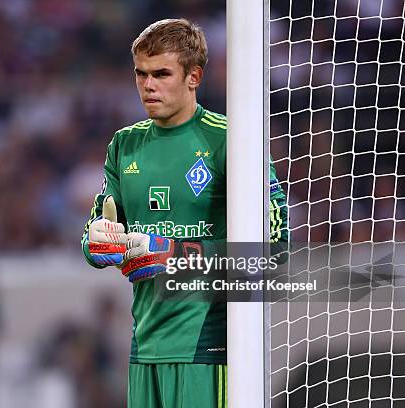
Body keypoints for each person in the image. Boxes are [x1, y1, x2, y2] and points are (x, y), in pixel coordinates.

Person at [81, 18, 288, 408]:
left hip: (207, 350)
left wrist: (171, 254)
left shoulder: (232, 140)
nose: (148, 85)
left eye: (161, 73)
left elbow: (275, 253)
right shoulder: (124, 145)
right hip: (144, 348)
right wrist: (97, 243)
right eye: (140, 74)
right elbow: (98, 227)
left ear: (194, 77)